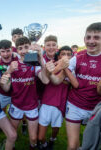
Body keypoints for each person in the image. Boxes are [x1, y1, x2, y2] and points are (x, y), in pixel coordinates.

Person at [0, 36, 49, 150]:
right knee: (12, 134)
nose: (23, 51)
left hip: (31, 106)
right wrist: (8, 72)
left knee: (33, 138)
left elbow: (46, 80)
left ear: (30, 47)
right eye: (20, 48)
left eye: (26, 47)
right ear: (16, 50)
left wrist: (41, 57)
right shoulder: (13, 65)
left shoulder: (33, 63)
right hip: (16, 104)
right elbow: (6, 88)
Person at [65, 22, 101, 150]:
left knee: (92, 145)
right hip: (75, 105)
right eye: (88, 37)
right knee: (72, 146)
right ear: (84, 39)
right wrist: (73, 81)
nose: (91, 41)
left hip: (96, 108)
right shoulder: (77, 57)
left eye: (96, 37)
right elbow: (66, 69)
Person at [38, 45, 78, 150]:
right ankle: (45, 144)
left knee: (55, 129)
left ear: (72, 57)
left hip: (60, 104)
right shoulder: (52, 65)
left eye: (69, 55)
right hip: (47, 102)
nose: (66, 57)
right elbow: (47, 78)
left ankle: (51, 140)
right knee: (40, 136)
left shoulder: (72, 70)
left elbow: (75, 85)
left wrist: (64, 69)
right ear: (58, 56)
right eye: (63, 54)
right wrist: (58, 67)